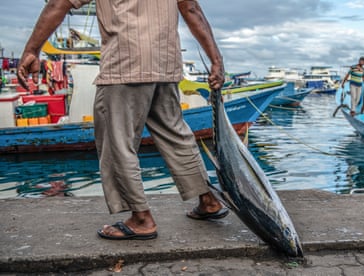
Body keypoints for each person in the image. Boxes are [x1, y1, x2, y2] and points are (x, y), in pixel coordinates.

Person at [17, 0, 227, 240]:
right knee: (175, 132)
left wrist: (32, 50)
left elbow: (59, 3)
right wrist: (216, 59)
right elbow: (191, 9)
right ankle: (209, 200)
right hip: (165, 62)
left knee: (116, 140)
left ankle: (141, 219)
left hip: (125, 62)